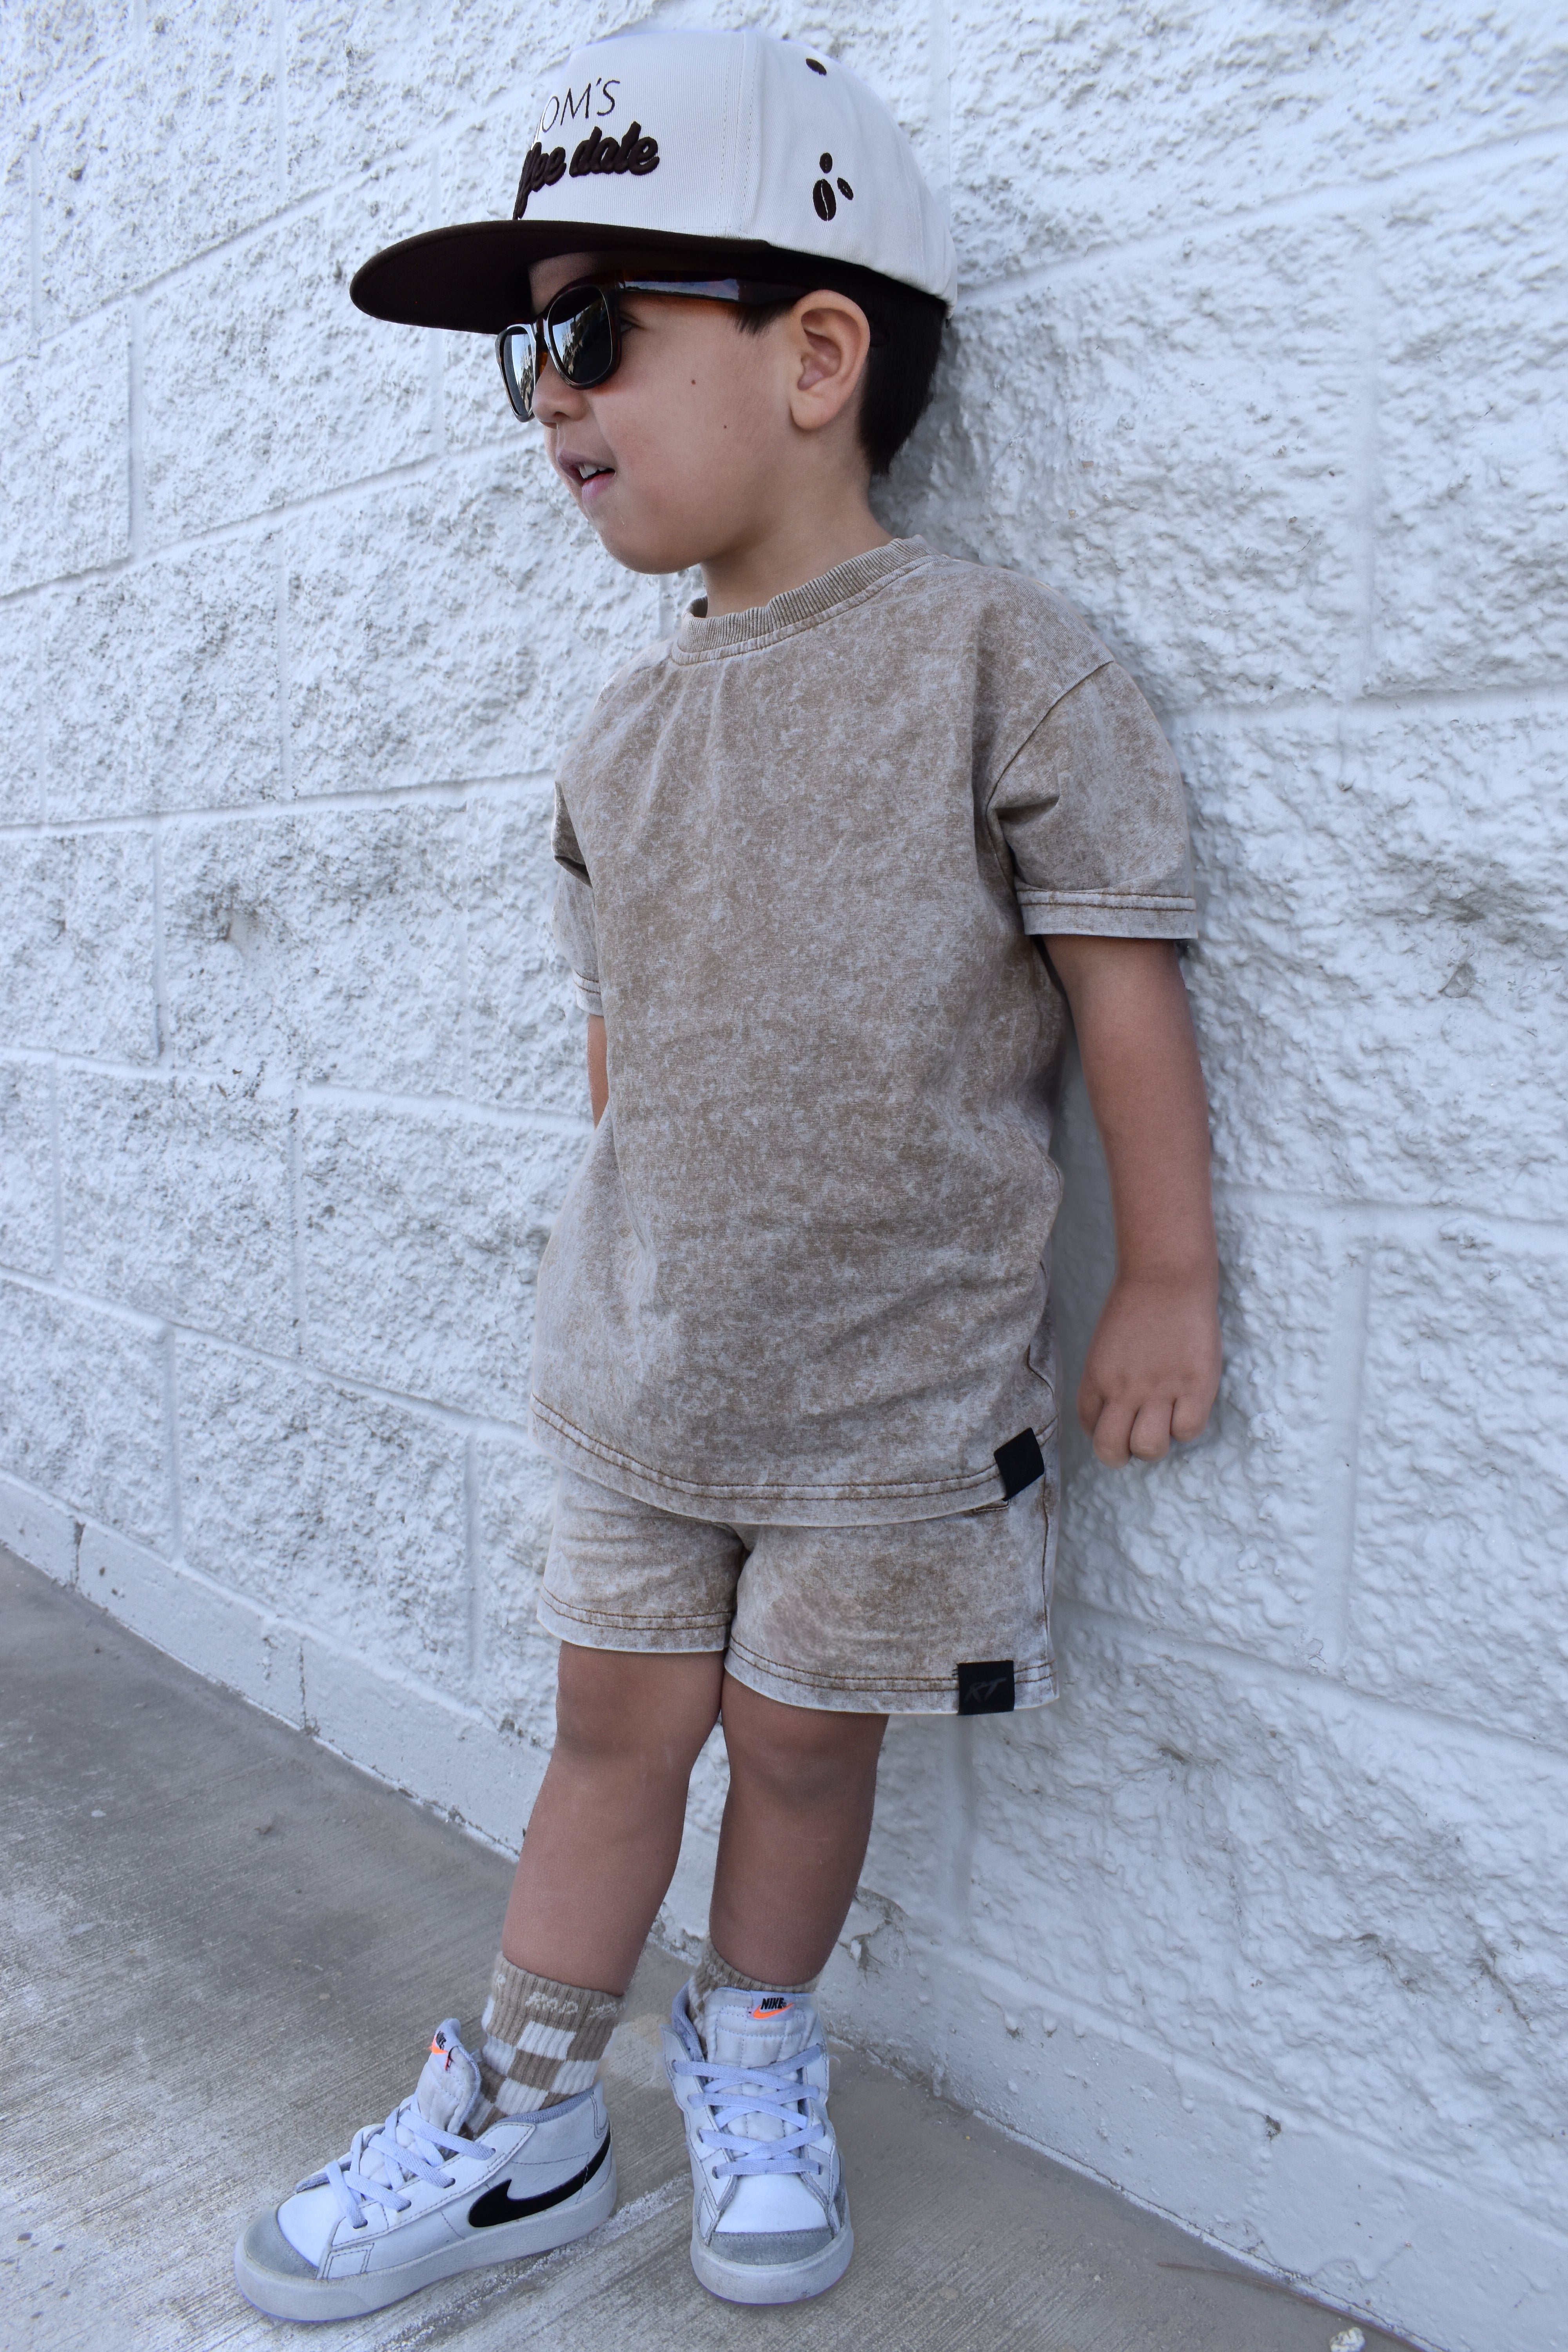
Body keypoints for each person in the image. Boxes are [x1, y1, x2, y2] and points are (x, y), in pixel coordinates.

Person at [234, 24, 1221, 2322]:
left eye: (591, 334)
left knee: (795, 1746)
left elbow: (1118, 986)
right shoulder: (620, 728)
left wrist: (1161, 1271)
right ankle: (524, 2105)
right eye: (525, 364)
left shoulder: (1002, 664)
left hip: (896, 1399)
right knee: (612, 1726)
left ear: (816, 353)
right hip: (645, 1371)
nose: (551, 401)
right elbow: (626, 1035)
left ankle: (752, 2052)